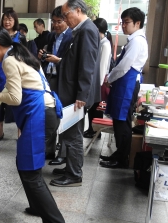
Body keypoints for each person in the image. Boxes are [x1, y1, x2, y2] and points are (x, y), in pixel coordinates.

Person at [0, 25, 65, 223]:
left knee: (30, 172)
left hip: (40, 115)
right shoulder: (22, 53)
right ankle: (37, 207)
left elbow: (14, 98)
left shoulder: (9, 60)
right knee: (24, 165)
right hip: (44, 112)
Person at [49, 0, 100, 187]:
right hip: (72, 91)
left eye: (66, 15)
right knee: (69, 131)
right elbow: (75, 61)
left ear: (78, 11)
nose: (64, 19)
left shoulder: (87, 30)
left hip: (76, 94)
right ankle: (70, 167)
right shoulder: (81, 29)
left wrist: (82, 95)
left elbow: (87, 66)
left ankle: (74, 175)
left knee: (73, 134)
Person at [100, 7, 148, 169]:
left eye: (127, 22)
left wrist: (110, 78)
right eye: (122, 22)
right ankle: (118, 154)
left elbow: (124, 66)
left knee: (123, 122)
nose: (123, 26)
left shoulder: (138, 41)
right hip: (122, 84)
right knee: (118, 121)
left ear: (138, 23)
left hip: (127, 85)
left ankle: (121, 158)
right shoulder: (133, 40)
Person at [37, 6, 73, 163]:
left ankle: (63, 154)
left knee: (63, 114)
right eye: (54, 22)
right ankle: (49, 150)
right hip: (50, 77)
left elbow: (72, 62)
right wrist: (42, 57)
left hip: (63, 80)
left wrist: (57, 60)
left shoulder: (72, 36)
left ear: (66, 20)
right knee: (49, 114)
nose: (56, 25)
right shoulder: (51, 36)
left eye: (59, 22)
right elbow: (48, 55)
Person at [0, 9, 27, 141]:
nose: (7, 21)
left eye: (10, 19)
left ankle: (19, 132)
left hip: (13, 72)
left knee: (16, 102)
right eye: (5, 19)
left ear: (15, 21)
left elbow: (24, 55)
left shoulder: (20, 37)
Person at [83, 18, 113, 139]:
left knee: (96, 108)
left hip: (99, 82)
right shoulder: (100, 42)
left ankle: (95, 131)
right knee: (93, 108)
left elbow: (102, 65)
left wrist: (98, 83)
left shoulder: (105, 44)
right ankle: (91, 129)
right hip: (96, 81)